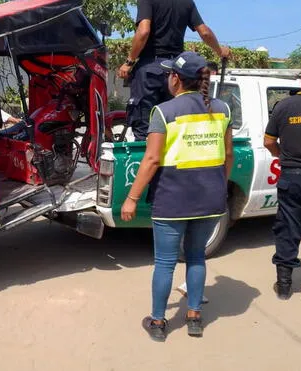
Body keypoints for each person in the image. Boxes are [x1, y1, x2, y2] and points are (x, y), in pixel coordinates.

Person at [120, 52, 234, 341]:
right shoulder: (223, 109)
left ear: (175, 79)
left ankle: (158, 322)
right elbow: (228, 155)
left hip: (173, 200)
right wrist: (219, 186)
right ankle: (194, 316)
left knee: (166, 262)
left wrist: (132, 198)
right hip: (211, 199)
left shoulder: (164, 111)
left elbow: (151, 160)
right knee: (196, 257)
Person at [117, 0, 231, 141]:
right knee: (173, 124)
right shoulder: (187, 3)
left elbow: (144, 30)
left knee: (144, 128)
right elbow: (204, 32)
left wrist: (129, 62)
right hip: (176, 70)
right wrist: (220, 51)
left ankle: (148, 159)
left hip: (150, 68)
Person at [263, 56, 301, 301]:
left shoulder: (284, 106)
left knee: (288, 228)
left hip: (291, 178)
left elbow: (268, 141)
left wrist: (284, 156)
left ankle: (285, 285)